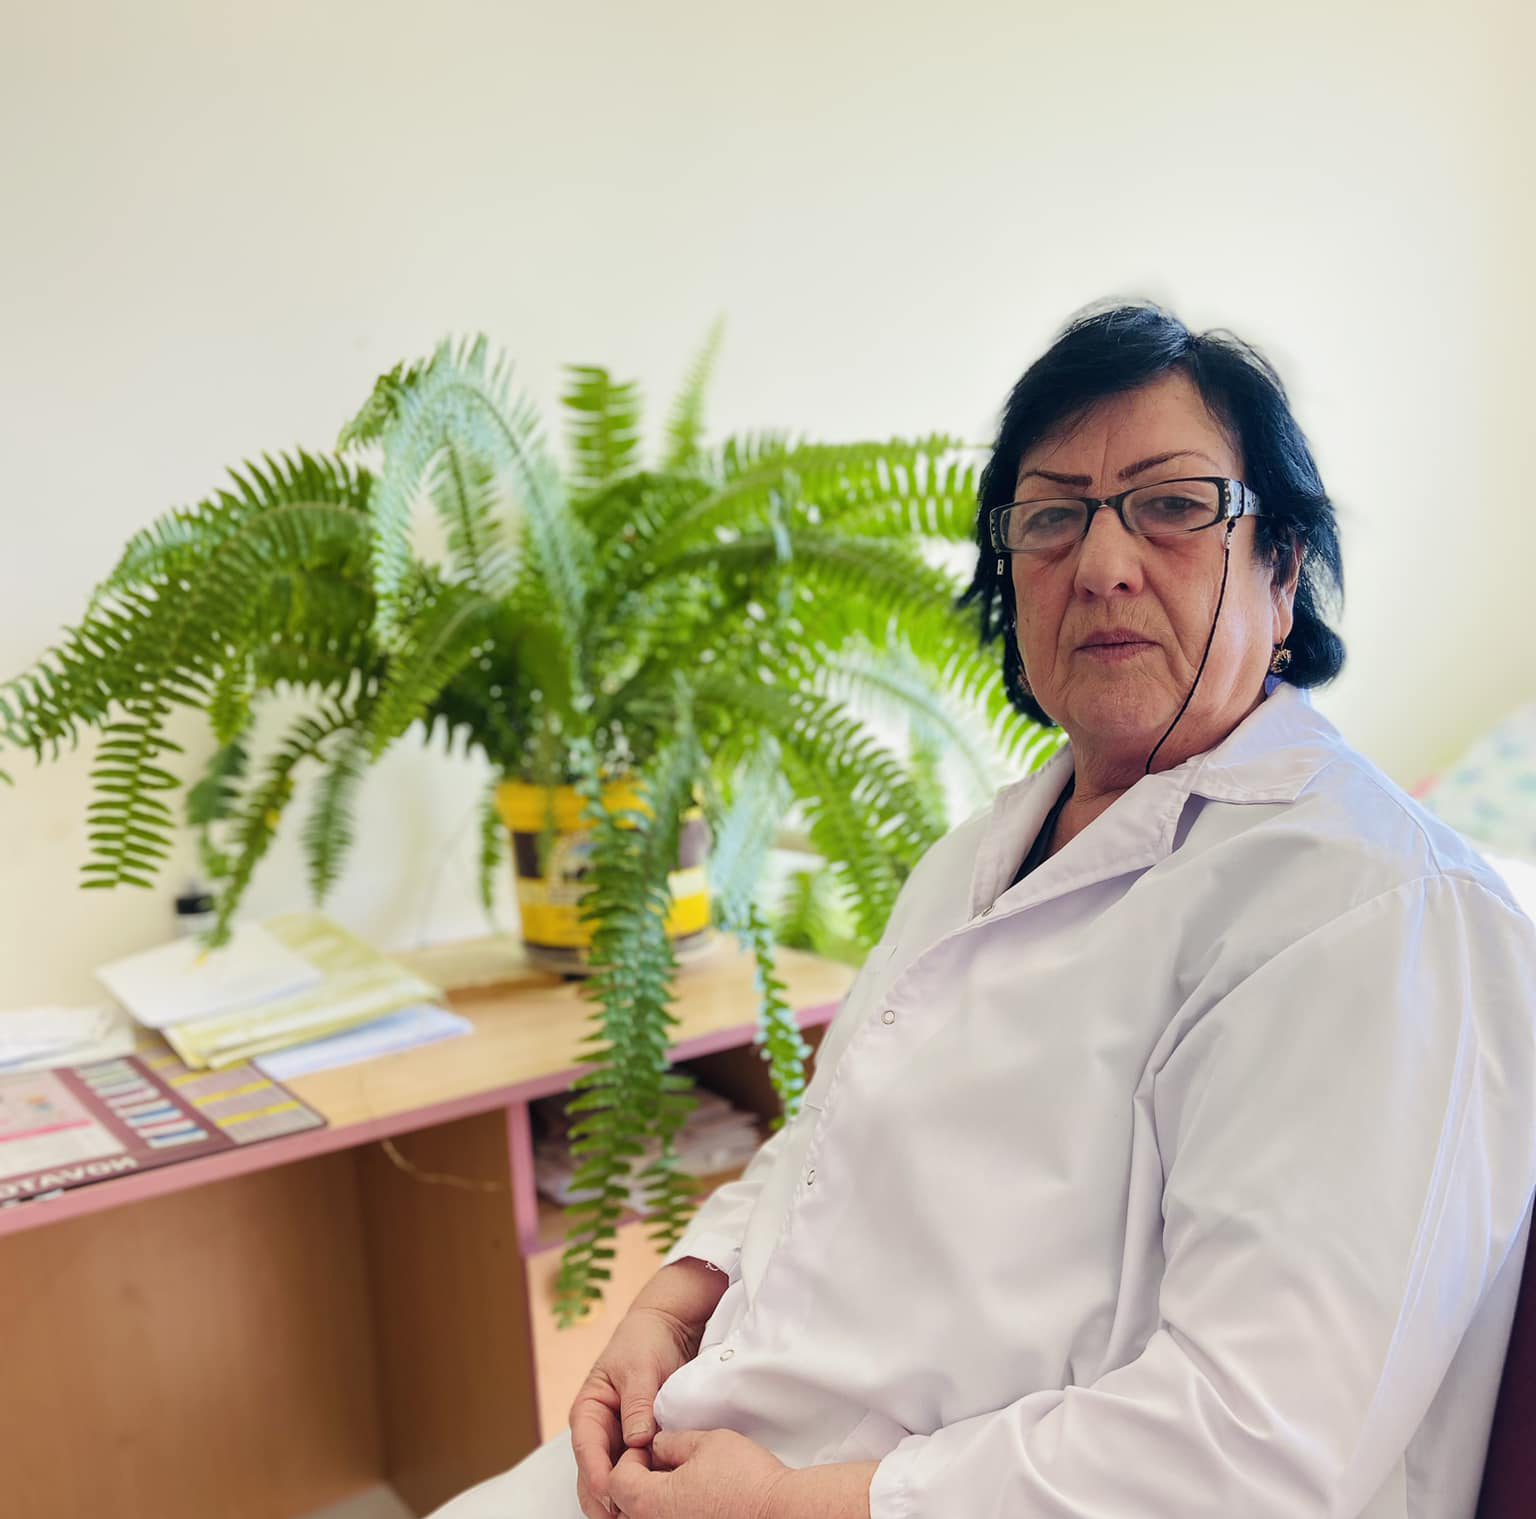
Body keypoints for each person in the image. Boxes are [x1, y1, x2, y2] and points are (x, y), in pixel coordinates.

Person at [428, 301, 1536, 1519]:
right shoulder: (983, 850)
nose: (1102, 565)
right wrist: (675, 1299)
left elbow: (1256, 1448)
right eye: (1053, 517)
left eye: (1174, 505)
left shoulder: (1378, 913)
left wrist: (800, 1505)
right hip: (726, 1442)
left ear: (1282, 570)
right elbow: (834, 1143)